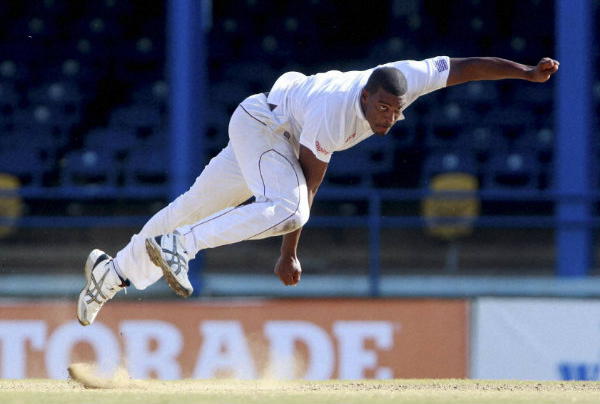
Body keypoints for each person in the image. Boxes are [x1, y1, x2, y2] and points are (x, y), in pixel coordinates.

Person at [77, 55, 559, 325]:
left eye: (396, 110)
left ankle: (112, 272)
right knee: (290, 209)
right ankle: (181, 246)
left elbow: (465, 66)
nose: (389, 117)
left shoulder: (405, 80)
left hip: (268, 124)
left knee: (192, 206)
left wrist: (524, 73)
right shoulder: (336, 112)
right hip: (265, 129)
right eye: (382, 108)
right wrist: (288, 253)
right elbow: (305, 188)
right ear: (365, 96)